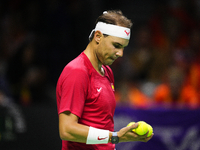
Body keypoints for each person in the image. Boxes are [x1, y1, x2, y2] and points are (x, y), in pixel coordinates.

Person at [56, 10, 153, 150]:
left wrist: (114, 139)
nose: (120, 54)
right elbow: (67, 130)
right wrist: (115, 137)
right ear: (98, 36)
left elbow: (100, 124)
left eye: (124, 48)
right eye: (116, 45)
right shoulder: (77, 72)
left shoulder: (107, 71)